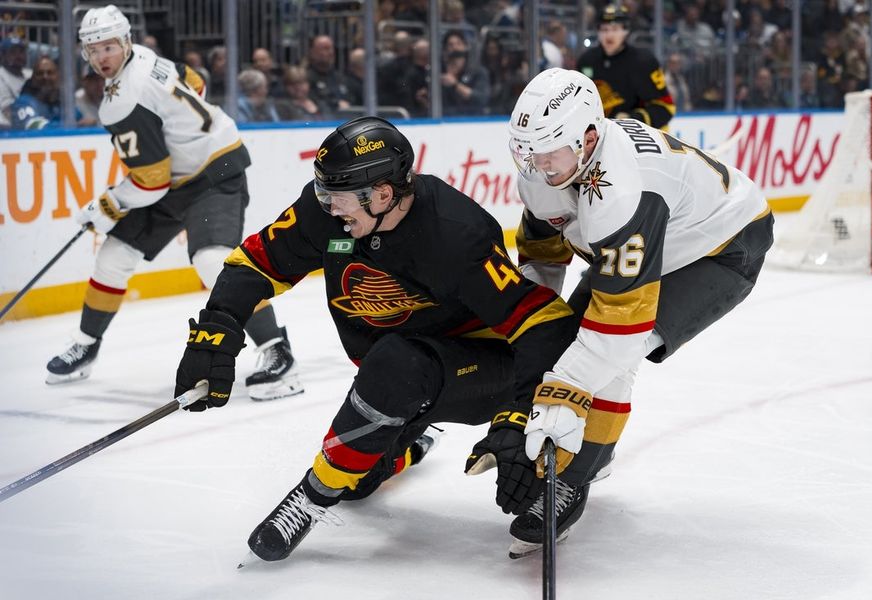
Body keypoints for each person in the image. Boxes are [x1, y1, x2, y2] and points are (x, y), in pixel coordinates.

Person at [172, 116, 578, 562]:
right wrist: (217, 328)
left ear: (383, 194)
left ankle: (312, 495)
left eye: (336, 199)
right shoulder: (325, 211)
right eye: (322, 194)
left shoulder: (454, 232)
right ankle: (411, 444)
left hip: (484, 371)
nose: (326, 208)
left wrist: (517, 415)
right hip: (400, 378)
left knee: (394, 366)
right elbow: (254, 263)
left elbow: (546, 323)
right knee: (360, 481)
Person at [496, 68, 773, 557]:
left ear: (587, 137)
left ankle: (574, 479)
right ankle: (590, 450)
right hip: (656, 243)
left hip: (720, 248)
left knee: (608, 363)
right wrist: (535, 327)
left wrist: (565, 392)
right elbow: (542, 254)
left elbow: (619, 329)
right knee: (571, 347)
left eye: (547, 152)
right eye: (526, 151)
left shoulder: (625, 191)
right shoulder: (551, 166)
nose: (536, 165)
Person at [45, 5, 303, 402]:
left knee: (213, 259)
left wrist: (107, 205)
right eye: (93, 49)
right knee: (114, 255)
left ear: (125, 42)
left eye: (108, 47)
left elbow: (150, 182)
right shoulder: (147, 57)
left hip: (215, 170)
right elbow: (195, 83)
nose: (101, 57)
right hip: (180, 176)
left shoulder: (122, 101)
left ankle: (278, 353)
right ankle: (85, 345)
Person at [576, 5, 675, 129]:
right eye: (604, 29)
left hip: (642, 136)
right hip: (601, 134)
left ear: (626, 31)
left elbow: (665, 107)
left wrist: (632, 120)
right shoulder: (587, 61)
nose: (609, 35)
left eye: (615, 29)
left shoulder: (644, 62)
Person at [0, 36, 31, 128]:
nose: (19, 56)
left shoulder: (29, 74)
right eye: (13, 52)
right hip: (6, 128)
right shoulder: (1, 76)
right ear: (2, 55)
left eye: (21, 51)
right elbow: (7, 111)